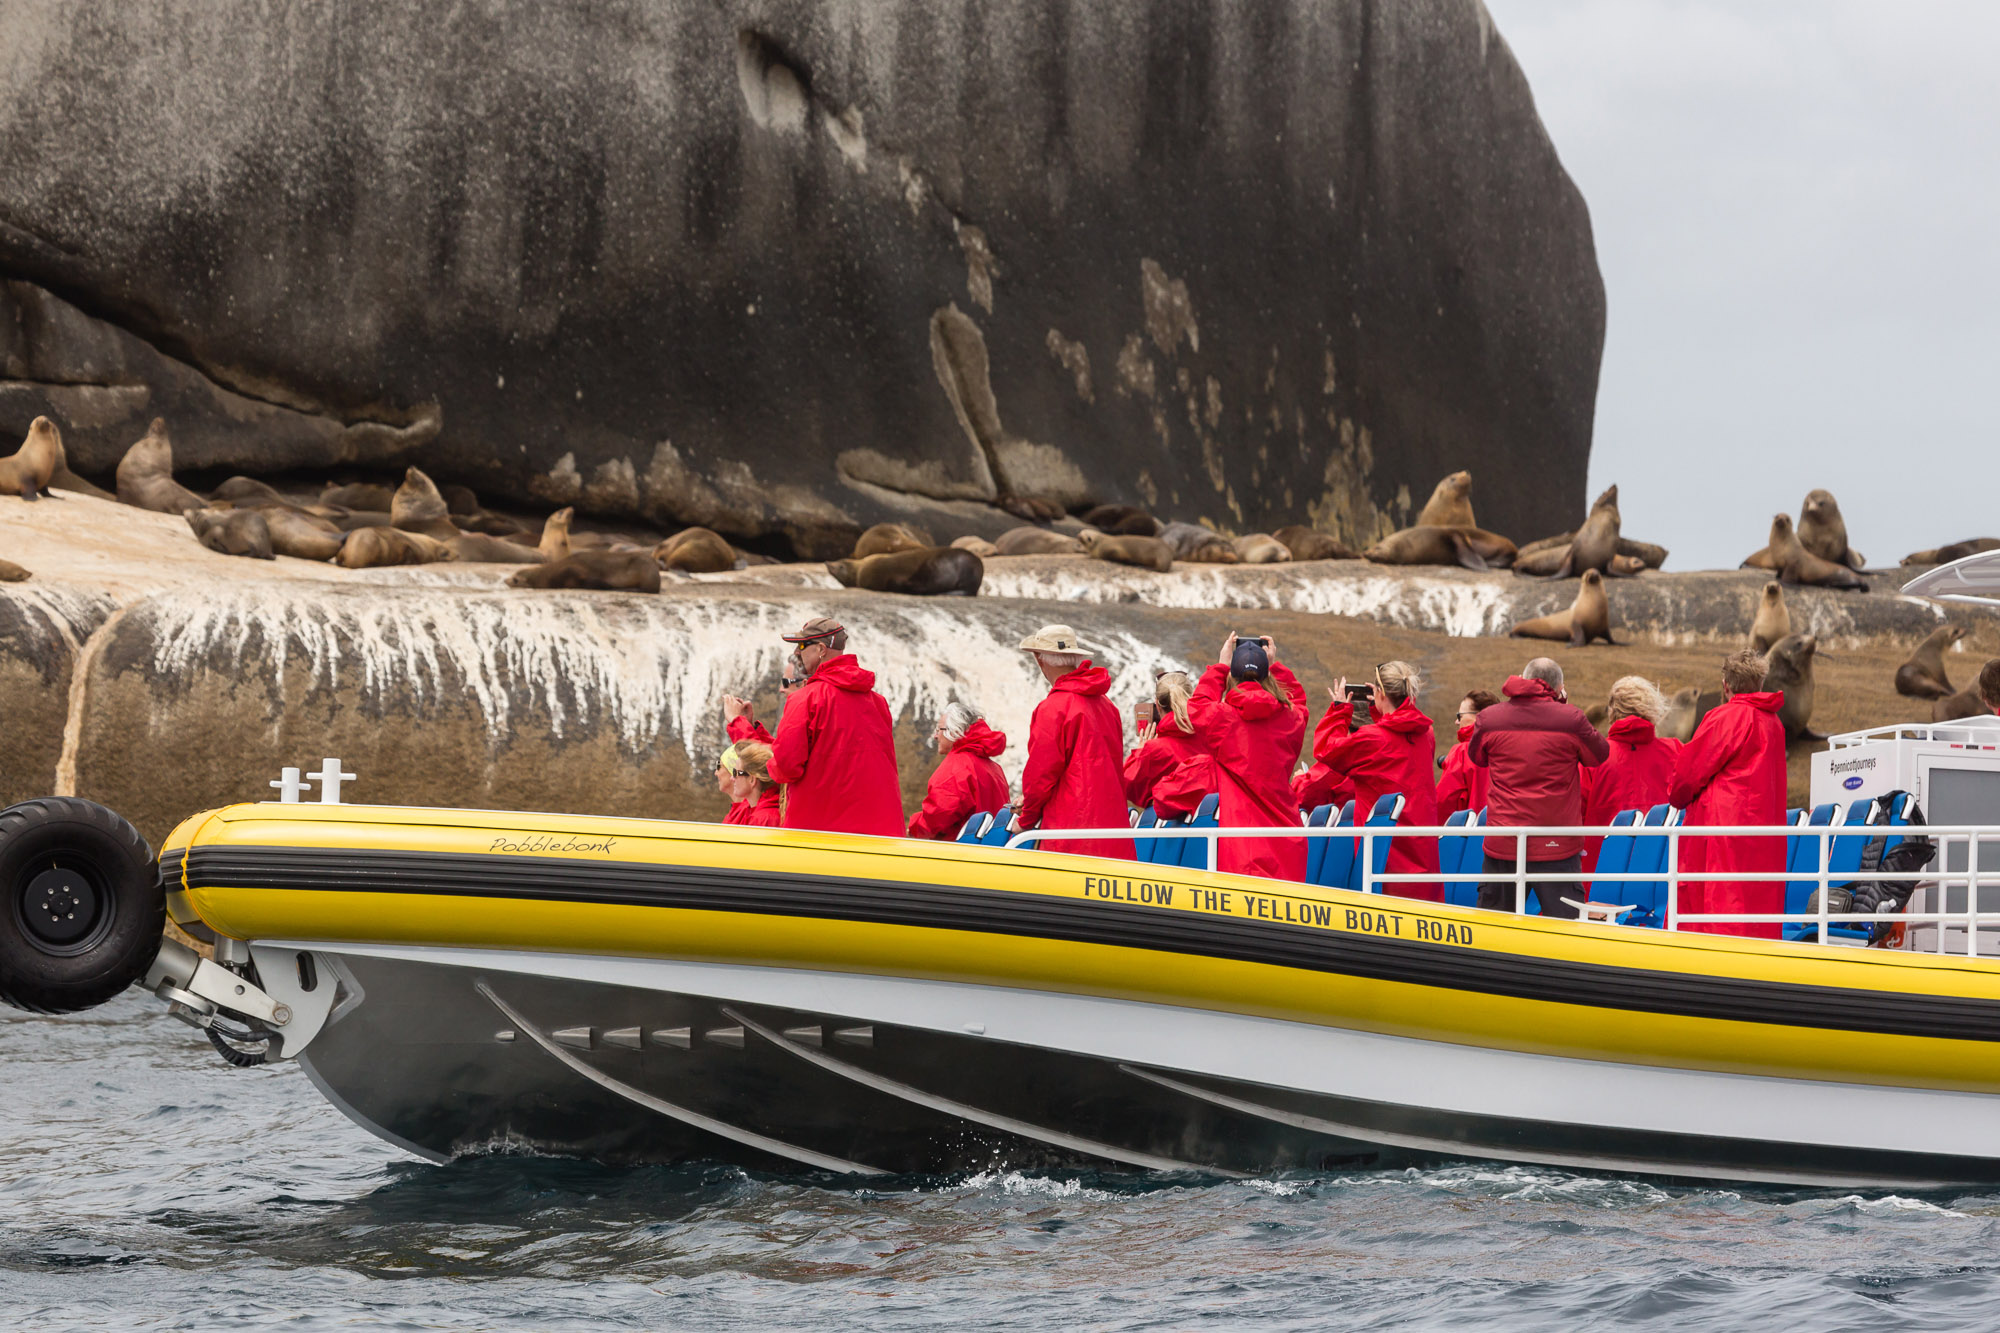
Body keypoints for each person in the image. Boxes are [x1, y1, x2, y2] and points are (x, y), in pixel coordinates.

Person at [1469, 658, 1611, 917]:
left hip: (1504, 843)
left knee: (1494, 929)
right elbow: (1599, 755)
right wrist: (1562, 708)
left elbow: (1477, 757)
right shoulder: (1572, 719)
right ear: (1559, 688)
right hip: (1557, 845)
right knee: (1565, 930)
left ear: (1523, 679)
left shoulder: (1489, 718)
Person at [1669, 650, 1788, 937]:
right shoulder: (1775, 724)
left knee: (1719, 909)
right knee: (1756, 908)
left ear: (1726, 685)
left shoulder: (1724, 717)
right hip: (1764, 832)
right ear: (1760, 683)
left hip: (1721, 832)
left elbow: (1687, 777)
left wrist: (1677, 793)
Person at [1311, 661, 1442, 899]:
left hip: (1386, 854)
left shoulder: (1372, 739)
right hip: (1421, 849)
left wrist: (1340, 710)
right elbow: (1398, 736)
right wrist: (1378, 710)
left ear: (1379, 693)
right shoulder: (1426, 734)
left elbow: (1327, 751)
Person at [765, 617, 905, 836]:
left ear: (821, 649)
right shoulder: (878, 702)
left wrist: (766, 760)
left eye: (802, 646)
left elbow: (785, 766)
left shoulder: (805, 699)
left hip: (819, 831)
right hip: (878, 831)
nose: (798, 652)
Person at [1186, 634, 1309, 880]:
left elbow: (1196, 706)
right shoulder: (1291, 719)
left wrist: (1220, 667)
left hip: (1242, 844)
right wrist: (1275, 666)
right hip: (1287, 837)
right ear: (1266, 677)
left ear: (1232, 676)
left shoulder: (1222, 718)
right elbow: (1300, 704)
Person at [1015, 625, 1134, 859]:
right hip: (1112, 831)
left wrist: (1026, 818)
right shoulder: (1107, 706)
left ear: (1040, 660)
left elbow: (1041, 774)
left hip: (1071, 833)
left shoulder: (1053, 708)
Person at [1580, 676, 1682, 872]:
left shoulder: (1591, 757)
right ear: (1652, 710)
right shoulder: (1675, 752)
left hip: (1601, 871)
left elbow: (1576, 812)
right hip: (1660, 870)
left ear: (1612, 711)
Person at [908, 700, 1011, 840]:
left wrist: (913, 828)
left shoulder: (957, 766)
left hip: (960, 851)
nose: (936, 736)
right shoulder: (994, 768)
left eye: (939, 729)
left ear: (954, 731)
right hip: (989, 849)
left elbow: (937, 817)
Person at [1123, 670, 1216, 817]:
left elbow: (1127, 786)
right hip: (1211, 826)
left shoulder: (1153, 750)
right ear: (1190, 699)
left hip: (1169, 832)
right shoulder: (1213, 738)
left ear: (1157, 706)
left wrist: (1140, 752)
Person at [1435, 689, 1499, 818]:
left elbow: (1444, 803)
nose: (1456, 722)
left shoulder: (1462, 752)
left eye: (1460, 716)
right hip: (1508, 834)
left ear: (1479, 717)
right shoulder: (1509, 749)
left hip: (1472, 834)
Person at [723, 740, 783, 827]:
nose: (732, 778)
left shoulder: (764, 819)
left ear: (752, 779)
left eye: (736, 773)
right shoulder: (752, 813)